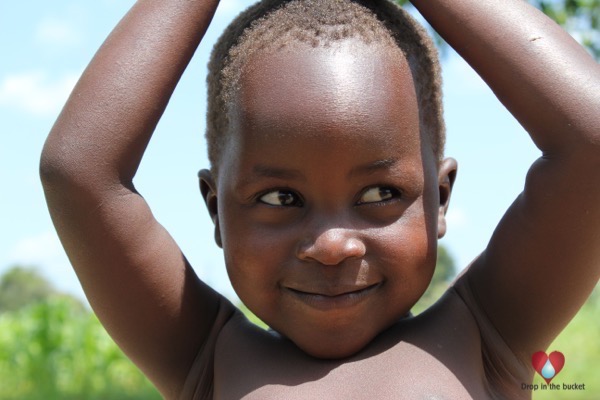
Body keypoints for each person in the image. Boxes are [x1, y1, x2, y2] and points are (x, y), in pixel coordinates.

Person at [39, 0, 600, 398]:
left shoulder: (490, 335)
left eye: (381, 193)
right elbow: (78, 173)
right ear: (216, 208)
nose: (332, 246)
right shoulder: (204, 360)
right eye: (281, 198)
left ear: (440, 197)